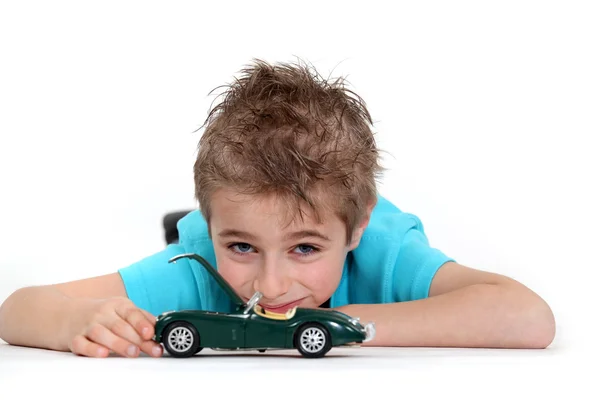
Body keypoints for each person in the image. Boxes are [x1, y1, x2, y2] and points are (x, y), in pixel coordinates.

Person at [0, 59, 555, 358]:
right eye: (242, 245)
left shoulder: (384, 245)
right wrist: (74, 319)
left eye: (306, 248)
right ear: (213, 230)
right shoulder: (201, 263)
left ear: (356, 227)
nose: (270, 284)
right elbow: (16, 309)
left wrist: (333, 327)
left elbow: (529, 317)